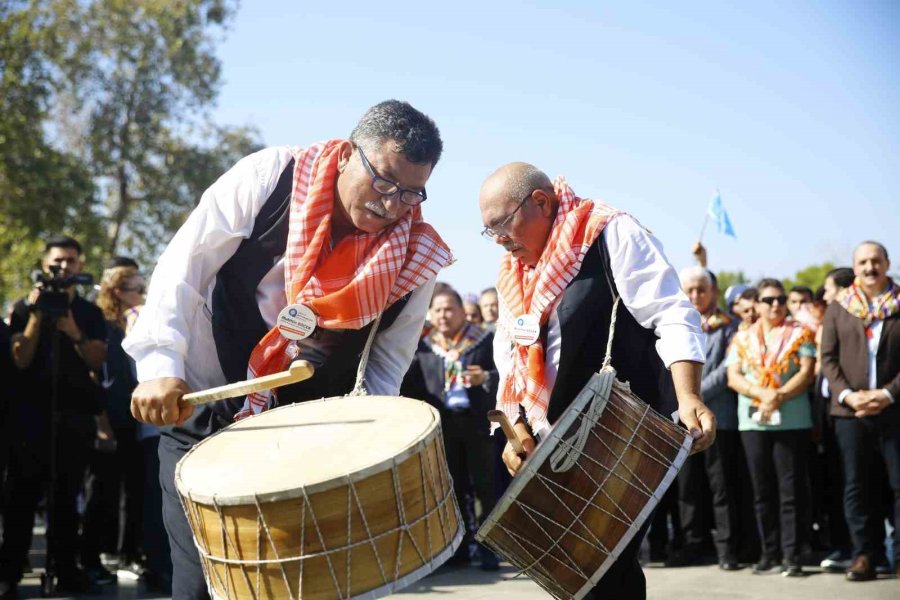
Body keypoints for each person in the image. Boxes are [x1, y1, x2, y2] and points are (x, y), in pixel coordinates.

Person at [124, 100, 452, 599]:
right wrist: (160, 365)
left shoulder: (415, 253)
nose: (392, 206)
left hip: (306, 441)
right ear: (346, 154)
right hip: (208, 413)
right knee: (198, 587)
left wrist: (365, 444)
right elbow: (182, 270)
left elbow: (387, 362)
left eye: (411, 194)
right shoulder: (269, 178)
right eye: (383, 182)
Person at [478, 163, 713, 600]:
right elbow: (508, 362)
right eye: (488, 231)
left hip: (620, 435)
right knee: (576, 577)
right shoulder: (513, 272)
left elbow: (672, 314)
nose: (499, 240)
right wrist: (513, 435)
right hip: (548, 449)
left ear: (542, 204)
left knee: (606, 569)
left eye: (502, 224)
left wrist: (689, 395)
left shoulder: (609, 234)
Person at [0, 236, 109, 597]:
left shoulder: (91, 313)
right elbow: (20, 357)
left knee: (67, 498)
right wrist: (35, 315)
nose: (64, 268)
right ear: (45, 265)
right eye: (57, 262)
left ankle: (66, 568)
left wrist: (72, 330)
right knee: (21, 497)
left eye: (72, 261)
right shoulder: (22, 306)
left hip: (74, 415)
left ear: (80, 265)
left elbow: (97, 360)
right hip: (28, 417)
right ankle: (10, 571)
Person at [401, 287, 499, 570]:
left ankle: (488, 547)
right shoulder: (423, 346)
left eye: (449, 309)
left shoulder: (484, 340)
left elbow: (505, 373)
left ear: (460, 310)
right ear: (430, 314)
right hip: (443, 427)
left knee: (486, 486)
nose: (443, 316)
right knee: (452, 488)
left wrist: (487, 378)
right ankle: (458, 548)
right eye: (438, 310)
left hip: (478, 422)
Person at [820, 241, 900, 581]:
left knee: (897, 485)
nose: (870, 267)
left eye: (876, 261)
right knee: (857, 486)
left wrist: (887, 394)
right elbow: (828, 358)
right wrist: (849, 396)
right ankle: (864, 555)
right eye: (863, 262)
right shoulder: (839, 307)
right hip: (849, 413)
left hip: (894, 409)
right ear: (855, 268)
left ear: (887, 263)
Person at [726, 278, 815, 577]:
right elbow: (733, 377)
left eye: (779, 299)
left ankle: (793, 555)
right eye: (768, 300)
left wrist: (778, 395)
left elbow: (806, 372)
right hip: (753, 421)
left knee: (790, 491)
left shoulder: (800, 333)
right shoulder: (742, 337)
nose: (775, 305)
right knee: (761, 491)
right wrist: (762, 394)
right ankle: (769, 553)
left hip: (791, 420)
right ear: (758, 304)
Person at [80, 265, 146, 584]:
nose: (144, 294)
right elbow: (94, 376)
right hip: (104, 418)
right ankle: (92, 556)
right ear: (119, 292)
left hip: (131, 419)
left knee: (132, 492)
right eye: (138, 288)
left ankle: (128, 554)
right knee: (101, 490)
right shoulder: (101, 325)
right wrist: (101, 422)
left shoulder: (132, 323)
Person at [673, 267, 742, 570]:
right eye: (689, 290)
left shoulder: (730, 327)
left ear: (713, 291)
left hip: (719, 420)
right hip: (682, 421)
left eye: (701, 289)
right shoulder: (676, 325)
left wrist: (694, 397)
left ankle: (727, 548)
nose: (695, 296)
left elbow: (727, 370)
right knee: (687, 489)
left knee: (722, 486)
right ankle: (693, 544)